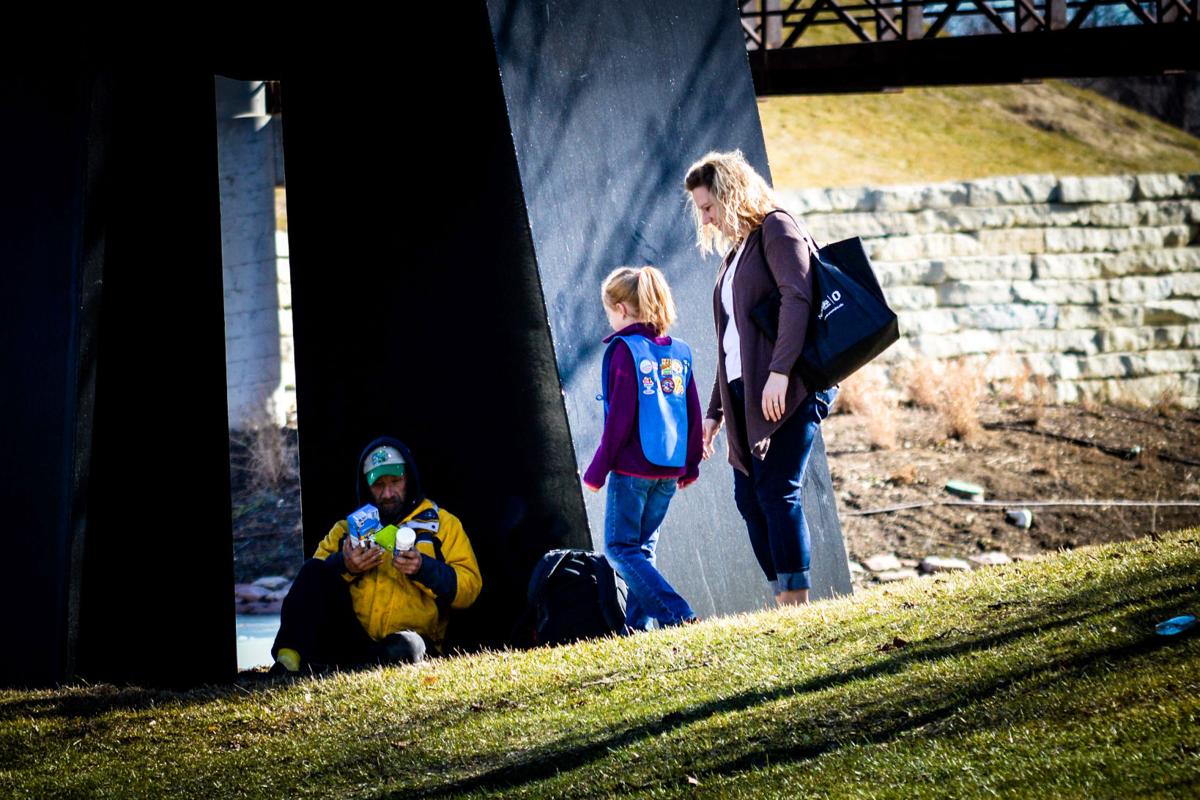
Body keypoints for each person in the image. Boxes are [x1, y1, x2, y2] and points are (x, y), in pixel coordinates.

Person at [683, 150, 837, 607]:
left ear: (731, 193)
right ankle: (783, 598)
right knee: (750, 499)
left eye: (709, 207)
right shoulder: (735, 255)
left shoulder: (777, 227)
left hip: (786, 387)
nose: (706, 219)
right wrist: (713, 414)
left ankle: (796, 604)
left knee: (776, 490)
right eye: (701, 211)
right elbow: (731, 342)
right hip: (745, 393)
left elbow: (797, 298)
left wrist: (780, 373)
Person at [270, 437, 482, 673]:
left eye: (396, 481)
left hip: (412, 639)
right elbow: (311, 582)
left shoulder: (442, 524)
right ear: (366, 487)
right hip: (352, 637)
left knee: (403, 647)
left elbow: (470, 588)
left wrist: (423, 568)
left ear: (409, 478)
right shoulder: (345, 529)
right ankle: (287, 661)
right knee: (313, 569)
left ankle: (354, 666)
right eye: (378, 485)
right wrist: (345, 565)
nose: (388, 493)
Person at [583, 266, 701, 630]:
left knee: (620, 549)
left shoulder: (624, 351)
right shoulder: (678, 352)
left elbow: (619, 418)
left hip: (632, 469)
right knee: (642, 551)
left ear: (620, 308)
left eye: (609, 313)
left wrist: (597, 470)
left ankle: (677, 614)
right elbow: (692, 412)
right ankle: (636, 630)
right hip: (668, 470)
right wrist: (691, 465)